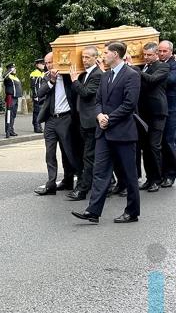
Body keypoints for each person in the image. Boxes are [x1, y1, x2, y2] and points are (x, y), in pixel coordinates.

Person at [72, 40, 142, 224]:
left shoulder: (131, 75)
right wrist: (99, 116)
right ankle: (93, 211)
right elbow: (98, 102)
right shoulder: (105, 76)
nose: (103, 56)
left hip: (123, 133)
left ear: (115, 55)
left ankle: (132, 212)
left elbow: (129, 104)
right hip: (103, 132)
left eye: (105, 53)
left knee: (129, 175)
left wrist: (109, 119)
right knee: (100, 172)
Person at [34, 51, 79, 195]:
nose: (48, 66)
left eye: (50, 62)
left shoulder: (68, 76)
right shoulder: (47, 77)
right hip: (51, 120)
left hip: (66, 119)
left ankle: (75, 180)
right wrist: (51, 81)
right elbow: (40, 93)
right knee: (50, 153)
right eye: (46, 63)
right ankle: (51, 183)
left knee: (69, 152)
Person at [67, 46, 103, 200]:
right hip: (84, 121)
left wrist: (74, 80)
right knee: (90, 155)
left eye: (88, 57)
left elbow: (86, 93)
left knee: (89, 156)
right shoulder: (87, 74)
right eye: (83, 57)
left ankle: (83, 190)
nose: (84, 60)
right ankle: (105, 185)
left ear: (96, 58)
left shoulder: (97, 74)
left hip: (91, 122)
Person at [135, 42, 170, 192]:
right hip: (143, 112)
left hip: (157, 112)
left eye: (149, 55)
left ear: (156, 54)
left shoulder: (163, 66)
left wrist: (134, 69)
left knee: (154, 146)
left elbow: (152, 80)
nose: (146, 57)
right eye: (145, 55)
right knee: (145, 147)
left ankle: (157, 178)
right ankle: (149, 178)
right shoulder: (143, 67)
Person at [158, 40, 176, 186]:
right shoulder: (156, 64)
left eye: (164, 51)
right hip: (158, 108)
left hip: (173, 107)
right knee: (158, 143)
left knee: (168, 142)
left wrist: (157, 71)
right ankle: (159, 174)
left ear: (171, 52)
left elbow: (170, 80)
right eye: (159, 51)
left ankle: (170, 175)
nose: (161, 54)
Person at [3, 63, 22, 137]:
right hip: (10, 97)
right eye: (13, 68)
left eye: (15, 68)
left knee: (13, 114)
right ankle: (8, 130)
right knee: (9, 114)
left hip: (16, 97)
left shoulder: (15, 77)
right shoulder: (8, 77)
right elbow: (4, 75)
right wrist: (9, 71)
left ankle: (11, 129)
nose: (15, 69)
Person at [29, 58, 46, 133]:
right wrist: (35, 96)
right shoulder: (34, 73)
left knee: (41, 111)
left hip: (43, 95)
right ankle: (36, 126)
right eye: (41, 64)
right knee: (37, 111)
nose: (43, 65)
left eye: (43, 63)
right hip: (38, 95)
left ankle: (39, 126)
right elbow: (33, 86)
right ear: (37, 65)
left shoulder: (43, 73)